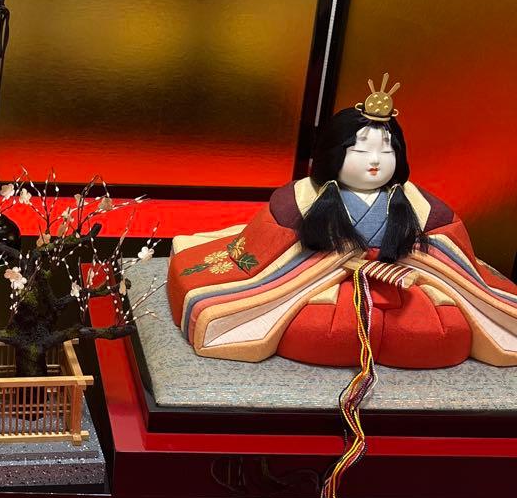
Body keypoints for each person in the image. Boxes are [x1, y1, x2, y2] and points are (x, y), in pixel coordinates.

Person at [168, 76, 517, 368]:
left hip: (403, 281)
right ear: (334, 153)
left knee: (438, 330)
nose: (375, 161)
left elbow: (446, 245)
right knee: (315, 328)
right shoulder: (300, 199)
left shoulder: (419, 204)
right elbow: (271, 247)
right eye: (361, 151)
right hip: (320, 281)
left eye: (386, 150)